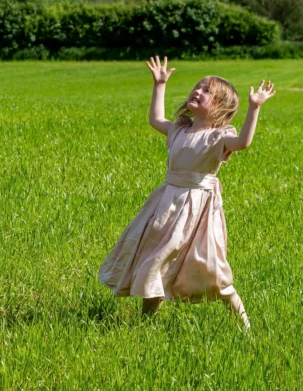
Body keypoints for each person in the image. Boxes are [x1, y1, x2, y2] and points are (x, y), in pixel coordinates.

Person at [99, 56, 276, 329]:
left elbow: (243, 143)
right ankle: (145, 323)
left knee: (211, 266)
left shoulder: (219, 137)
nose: (198, 91)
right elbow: (156, 119)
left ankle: (245, 325)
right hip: (167, 204)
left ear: (220, 107)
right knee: (156, 259)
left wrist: (254, 108)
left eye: (207, 91)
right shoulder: (179, 129)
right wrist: (159, 84)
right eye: (198, 86)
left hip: (198, 208)